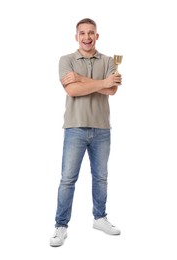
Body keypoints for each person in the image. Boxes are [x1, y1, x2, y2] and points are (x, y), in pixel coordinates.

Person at [50, 18, 122, 247]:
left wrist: (84, 79)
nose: (87, 37)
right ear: (76, 37)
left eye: (91, 33)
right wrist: (99, 82)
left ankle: (99, 218)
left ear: (97, 36)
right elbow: (72, 90)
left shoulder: (109, 60)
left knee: (101, 177)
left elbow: (112, 90)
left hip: (102, 128)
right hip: (75, 127)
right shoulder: (66, 60)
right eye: (82, 33)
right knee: (68, 179)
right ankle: (61, 226)